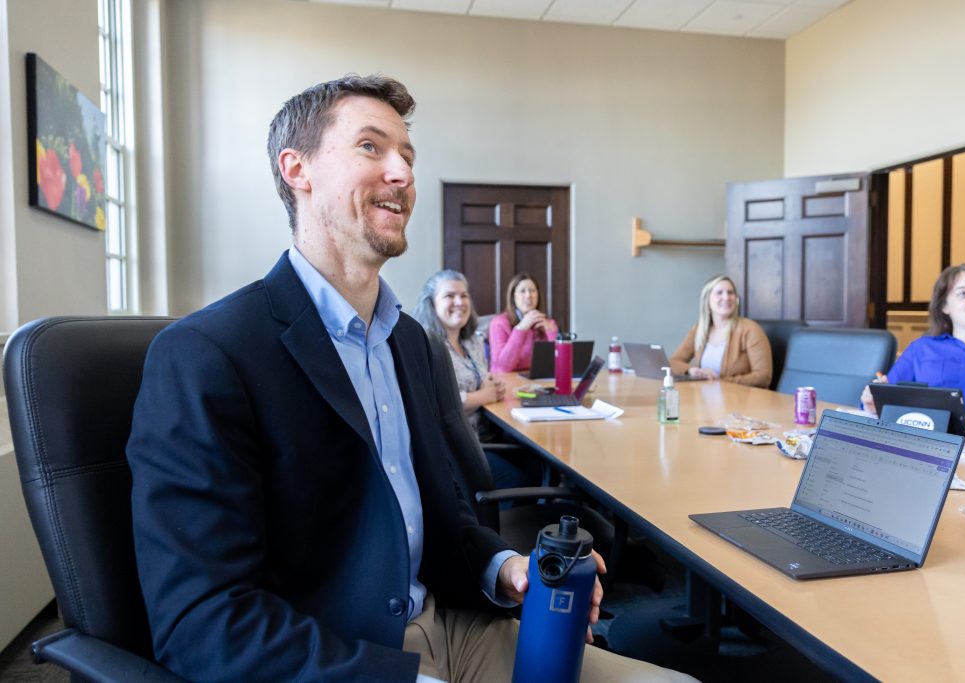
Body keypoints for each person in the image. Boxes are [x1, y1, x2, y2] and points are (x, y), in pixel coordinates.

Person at [126, 74, 692, 683]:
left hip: (457, 625)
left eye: (408, 157)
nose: (402, 173)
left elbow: (440, 521)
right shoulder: (206, 354)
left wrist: (504, 569)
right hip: (344, 659)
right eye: (371, 147)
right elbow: (203, 623)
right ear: (297, 169)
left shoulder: (407, 342)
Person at [861, 263, 965, 439]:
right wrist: (871, 402)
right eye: (964, 293)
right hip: (943, 447)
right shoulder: (922, 349)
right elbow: (885, 401)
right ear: (945, 306)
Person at [412, 270, 538, 489]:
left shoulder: (473, 342)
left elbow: (484, 381)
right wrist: (483, 395)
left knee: (537, 463)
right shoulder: (426, 346)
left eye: (464, 295)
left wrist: (492, 387)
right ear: (431, 304)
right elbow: (436, 405)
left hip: (483, 437)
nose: (459, 302)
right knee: (517, 479)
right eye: (449, 296)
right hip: (453, 448)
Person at [669, 274, 772, 387]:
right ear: (707, 300)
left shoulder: (750, 329)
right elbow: (673, 362)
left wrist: (720, 382)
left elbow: (763, 377)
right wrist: (692, 370)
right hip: (704, 399)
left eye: (730, 292)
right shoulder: (699, 329)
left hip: (739, 399)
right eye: (719, 293)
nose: (726, 297)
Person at [488, 272, 559, 373]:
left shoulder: (548, 323)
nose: (528, 295)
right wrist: (521, 328)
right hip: (507, 383)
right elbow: (502, 367)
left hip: (537, 383)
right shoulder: (498, 323)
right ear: (513, 296)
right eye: (522, 291)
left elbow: (559, 366)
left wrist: (552, 333)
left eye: (532, 291)